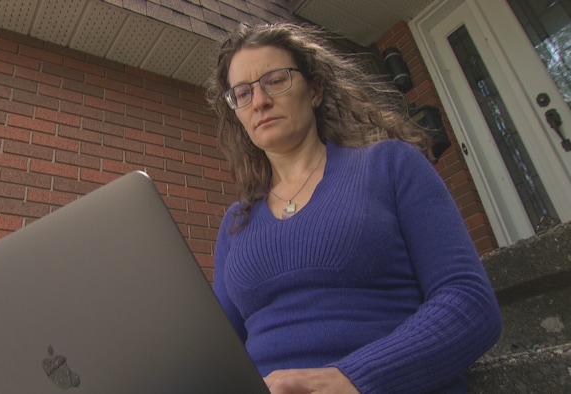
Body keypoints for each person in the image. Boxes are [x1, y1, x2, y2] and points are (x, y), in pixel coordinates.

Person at [206, 22, 502, 394]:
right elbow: (219, 354)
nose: (260, 101)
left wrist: (357, 378)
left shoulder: (390, 166)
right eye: (243, 93)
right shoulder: (236, 223)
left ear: (314, 90)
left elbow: (470, 304)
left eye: (275, 80)